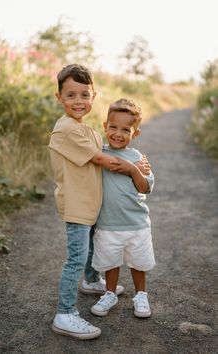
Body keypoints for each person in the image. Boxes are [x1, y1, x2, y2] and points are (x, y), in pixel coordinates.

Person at [48, 65, 147, 339]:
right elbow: (103, 159)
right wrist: (134, 167)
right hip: (78, 205)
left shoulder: (86, 129)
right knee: (77, 257)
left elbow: (108, 149)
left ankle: (92, 281)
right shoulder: (67, 129)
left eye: (84, 94)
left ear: (94, 96)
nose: (78, 101)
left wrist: (138, 161)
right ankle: (65, 313)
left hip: (91, 204)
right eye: (70, 95)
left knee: (91, 247)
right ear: (59, 98)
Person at [91, 98, 156, 319]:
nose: (118, 133)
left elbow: (145, 187)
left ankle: (141, 295)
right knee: (110, 261)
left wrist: (133, 169)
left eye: (125, 129)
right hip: (108, 222)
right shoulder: (100, 153)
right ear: (105, 126)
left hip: (136, 223)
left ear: (135, 133)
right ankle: (110, 293)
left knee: (138, 262)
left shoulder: (137, 158)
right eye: (113, 127)